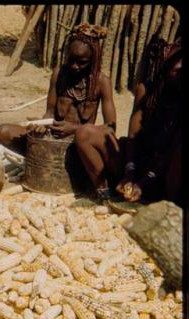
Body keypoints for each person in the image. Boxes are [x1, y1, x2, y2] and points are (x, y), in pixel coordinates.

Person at [74, 37, 182, 204]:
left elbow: (170, 153)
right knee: (85, 133)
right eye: (178, 71)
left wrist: (144, 183)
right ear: (164, 69)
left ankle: (167, 207)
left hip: (164, 175)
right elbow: (133, 137)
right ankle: (105, 193)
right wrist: (129, 174)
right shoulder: (146, 91)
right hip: (136, 163)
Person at [0, 23, 117, 156]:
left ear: (93, 60)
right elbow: (50, 113)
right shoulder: (59, 74)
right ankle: (43, 159)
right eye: (71, 60)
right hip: (53, 138)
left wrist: (75, 129)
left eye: (82, 62)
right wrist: (41, 126)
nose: (75, 66)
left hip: (80, 145)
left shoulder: (102, 82)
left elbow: (110, 129)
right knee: (4, 132)